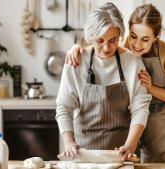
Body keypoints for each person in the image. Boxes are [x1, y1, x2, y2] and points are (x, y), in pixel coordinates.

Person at [65, 4, 165, 163]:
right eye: (133, 36)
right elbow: (103, 40)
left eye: (145, 39)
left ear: (157, 36)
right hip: (143, 131)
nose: (137, 45)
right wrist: (78, 47)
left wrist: (151, 88)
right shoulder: (125, 49)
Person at [55, 2, 151, 161]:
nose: (107, 48)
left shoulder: (132, 62)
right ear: (90, 36)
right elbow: (64, 106)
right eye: (100, 40)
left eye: (113, 40)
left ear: (120, 35)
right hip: (84, 154)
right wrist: (69, 142)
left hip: (121, 155)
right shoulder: (76, 62)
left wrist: (130, 145)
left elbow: (140, 107)